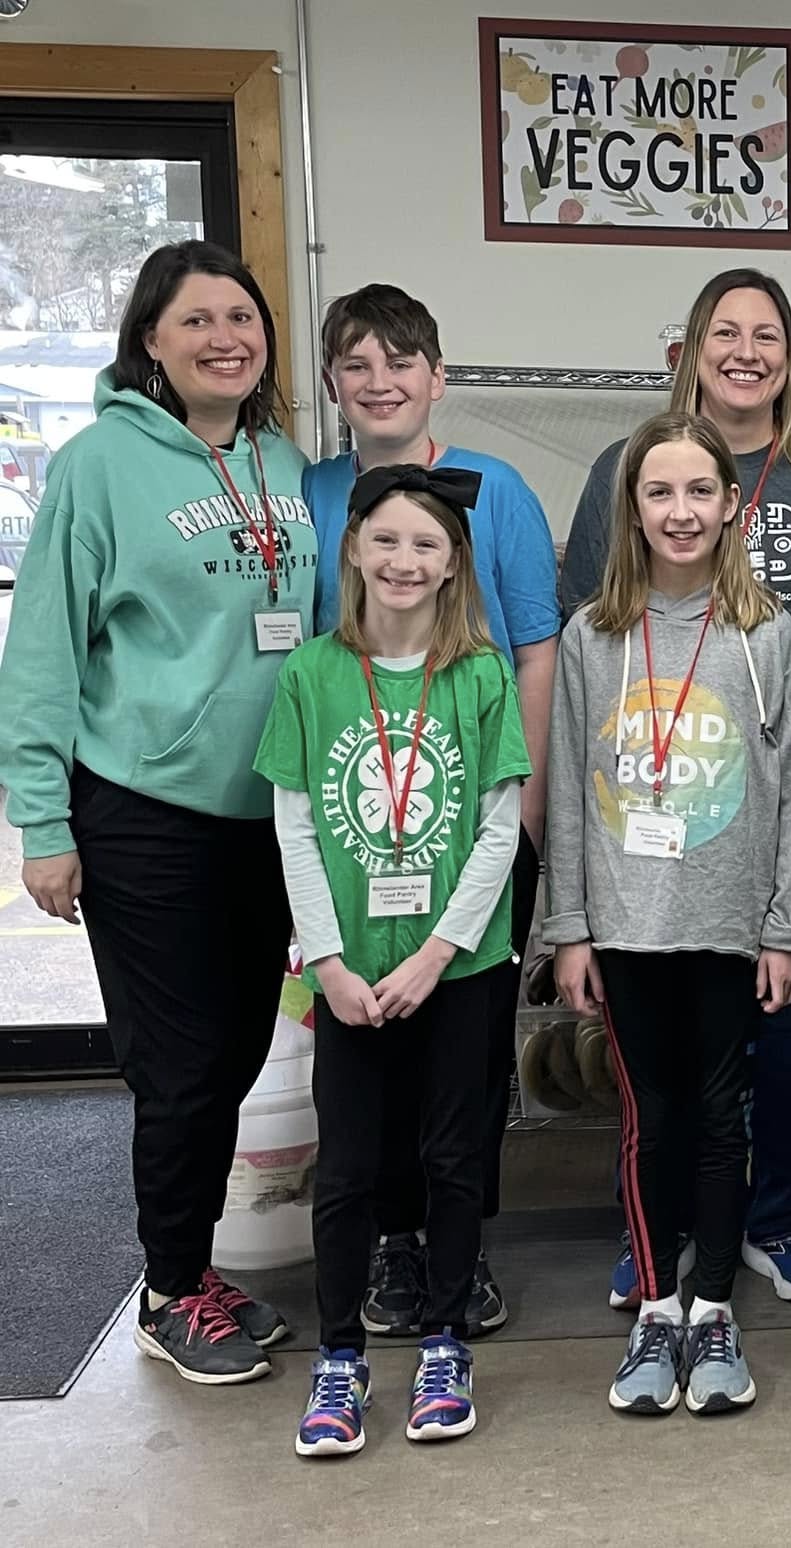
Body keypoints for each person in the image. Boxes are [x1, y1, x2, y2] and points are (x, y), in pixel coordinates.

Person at [0, 240, 312, 1384]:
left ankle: (194, 1268)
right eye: (197, 321)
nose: (226, 336)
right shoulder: (97, 466)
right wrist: (43, 823)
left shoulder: (282, 459)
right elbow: (39, 653)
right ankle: (170, 1287)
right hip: (143, 811)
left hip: (263, 817)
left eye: (243, 317)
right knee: (179, 1065)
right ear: (150, 343)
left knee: (231, 1050)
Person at [561, 268, 791, 1306]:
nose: (746, 350)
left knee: (774, 1044)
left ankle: (778, 1221)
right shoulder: (626, 461)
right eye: (725, 332)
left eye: (767, 333)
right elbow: (587, 634)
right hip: (647, 824)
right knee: (658, 1078)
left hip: (767, 807)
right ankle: (666, 1238)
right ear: (692, 346)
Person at [256, 462, 530, 1455]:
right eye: (386, 541)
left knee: (454, 1158)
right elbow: (293, 828)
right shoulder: (313, 674)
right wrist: (328, 961)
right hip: (348, 973)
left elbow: (501, 831)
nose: (404, 561)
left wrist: (437, 954)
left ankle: (445, 1342)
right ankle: (339, 1361)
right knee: (351, 1172)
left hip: (455, 971)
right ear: (354, 553)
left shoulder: (483, 675)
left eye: (425, 544)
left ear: (454, 563)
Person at [305, 283, 558, 1337]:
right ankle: (392, 1248)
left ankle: (462, 1246)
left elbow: (536, 648)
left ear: (436, 377)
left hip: (479, 815)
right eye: (356, 366)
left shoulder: (495, 489)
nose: (379, 382)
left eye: (400, 362)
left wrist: (532, 806)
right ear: (332, 386)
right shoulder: (308, 491)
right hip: (359, 824)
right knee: (368, 1049)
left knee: (466, 1054)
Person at [545, 412, 791, 1415]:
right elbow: (571, 784)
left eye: (700, 490)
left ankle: (712, 1311)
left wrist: (785, 927)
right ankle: (655, 1310)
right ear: (632, 508)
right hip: (625, 927)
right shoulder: (591, 638)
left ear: (731, 505)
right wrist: (568, 927)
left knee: (717, 1122)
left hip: (729, 924)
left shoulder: (766, 634)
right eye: (660, 492)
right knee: (648, 1123)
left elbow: (790, 788)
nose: (681, 510)